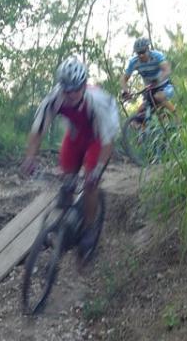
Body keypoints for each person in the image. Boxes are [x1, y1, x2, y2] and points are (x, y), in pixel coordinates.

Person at [22, 56, 120, 259]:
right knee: (68, 181)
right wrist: (31, 158)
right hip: (75, 137)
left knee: (91, 183)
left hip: (98, 139)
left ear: (84, 85)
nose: (71, 94)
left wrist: (97, 171)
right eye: (66, 89)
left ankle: (89, 229)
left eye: (76, 89)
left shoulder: (99, 102)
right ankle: (65, 220)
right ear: (61, 87)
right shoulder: (54, 98)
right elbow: (38, 130)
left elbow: (108, 142)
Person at [120, 37, 176, 115]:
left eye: (143, 52)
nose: (141, 55)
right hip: (150, 89)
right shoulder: (134, 62)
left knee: (158, 96)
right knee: (139, 114)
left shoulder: (157, 56)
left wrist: (158, 79)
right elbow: (123, 78)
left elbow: (167, 70)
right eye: (138, 53)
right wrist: (125, 91)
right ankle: (145, 126)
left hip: (164, 86)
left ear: (148, 49)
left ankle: (177, 118)